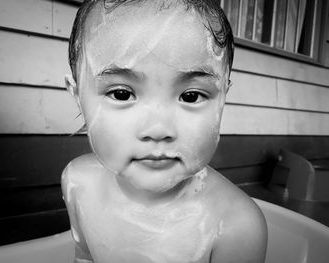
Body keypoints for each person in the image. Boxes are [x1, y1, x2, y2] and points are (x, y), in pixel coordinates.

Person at [62, 0, 268, 262]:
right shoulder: (78, 184)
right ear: (77, 95)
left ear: (223, 97)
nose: (158, 130)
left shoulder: (236, 226)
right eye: (122, 93)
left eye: (191, 96)